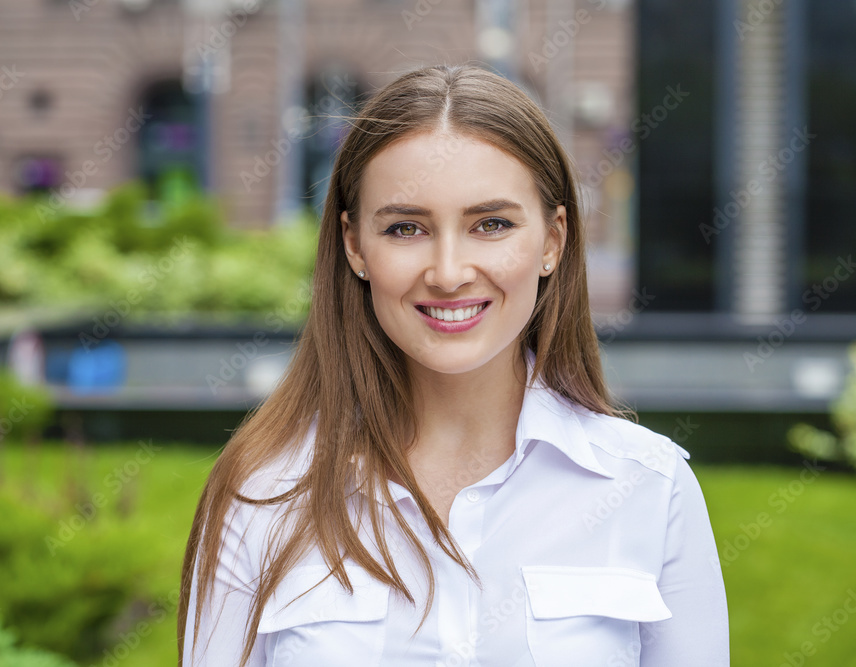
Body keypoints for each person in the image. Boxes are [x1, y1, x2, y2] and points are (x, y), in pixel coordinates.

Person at [177, 62, 730, 667]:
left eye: (490, 224)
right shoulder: (264, 493)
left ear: (553, 240)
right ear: (355, 245)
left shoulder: (648, 487)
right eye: (406, 227)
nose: (447, 272)